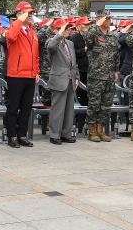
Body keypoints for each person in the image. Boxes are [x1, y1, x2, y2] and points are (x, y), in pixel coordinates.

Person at [4, 1, 39, 148]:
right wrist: (19, 20)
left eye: (31, 13)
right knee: (13, 107)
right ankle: (12, 135)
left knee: (26, 107)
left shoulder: (32, 32)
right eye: (27, 13)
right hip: (16, 74)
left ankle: (22, 134)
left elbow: (35, 55)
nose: (30, 16)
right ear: (19, 14)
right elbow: (10, 37)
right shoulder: (13, 28)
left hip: (30, 75)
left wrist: (37, 71)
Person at [84, 11, 119, 143]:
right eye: (107, 18)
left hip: (109, 76)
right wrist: (95, 25)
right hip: (96, 76)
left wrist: (116, 70)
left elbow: (116, 54)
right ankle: (92, 130)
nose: (109, 20)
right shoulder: (93, 33)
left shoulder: (112, 36)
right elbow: (86, 38)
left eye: (110, 18)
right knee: (94, 104)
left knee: (106, 105)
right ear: (100, 20)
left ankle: (100, 130)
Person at [46, 19, 79, 145]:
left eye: (68, 28)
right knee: (57, 109)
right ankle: (54, 135)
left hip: (70, 79)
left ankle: (66, 133)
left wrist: (76, 77)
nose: (68, 30)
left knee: (69, 109)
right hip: (59, 79)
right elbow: (50, 47)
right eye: (65, 28)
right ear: (57, 30)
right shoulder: (52, 41)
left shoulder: (70, 43)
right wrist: (59, 34)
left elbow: (73, 63)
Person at [70, 16, 90, 131]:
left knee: (87, 99)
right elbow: (72, 53)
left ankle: (84, 124)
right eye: (85, 25)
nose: (87, 27)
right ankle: (79, 123)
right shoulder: (74, 38)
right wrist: (85, 49)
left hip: (89, 70)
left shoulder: (90, 37)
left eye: (88, 25)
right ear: (78, 27)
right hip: (79, 71)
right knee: (80, 98)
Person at [37, 16, 57, 105]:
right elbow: (38, 37)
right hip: (46, 69)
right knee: (46, 97)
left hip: (57, 69)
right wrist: (46, 26)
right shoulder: (45, 33)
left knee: (55, 98)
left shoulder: (59, 34)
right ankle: (44, 118)